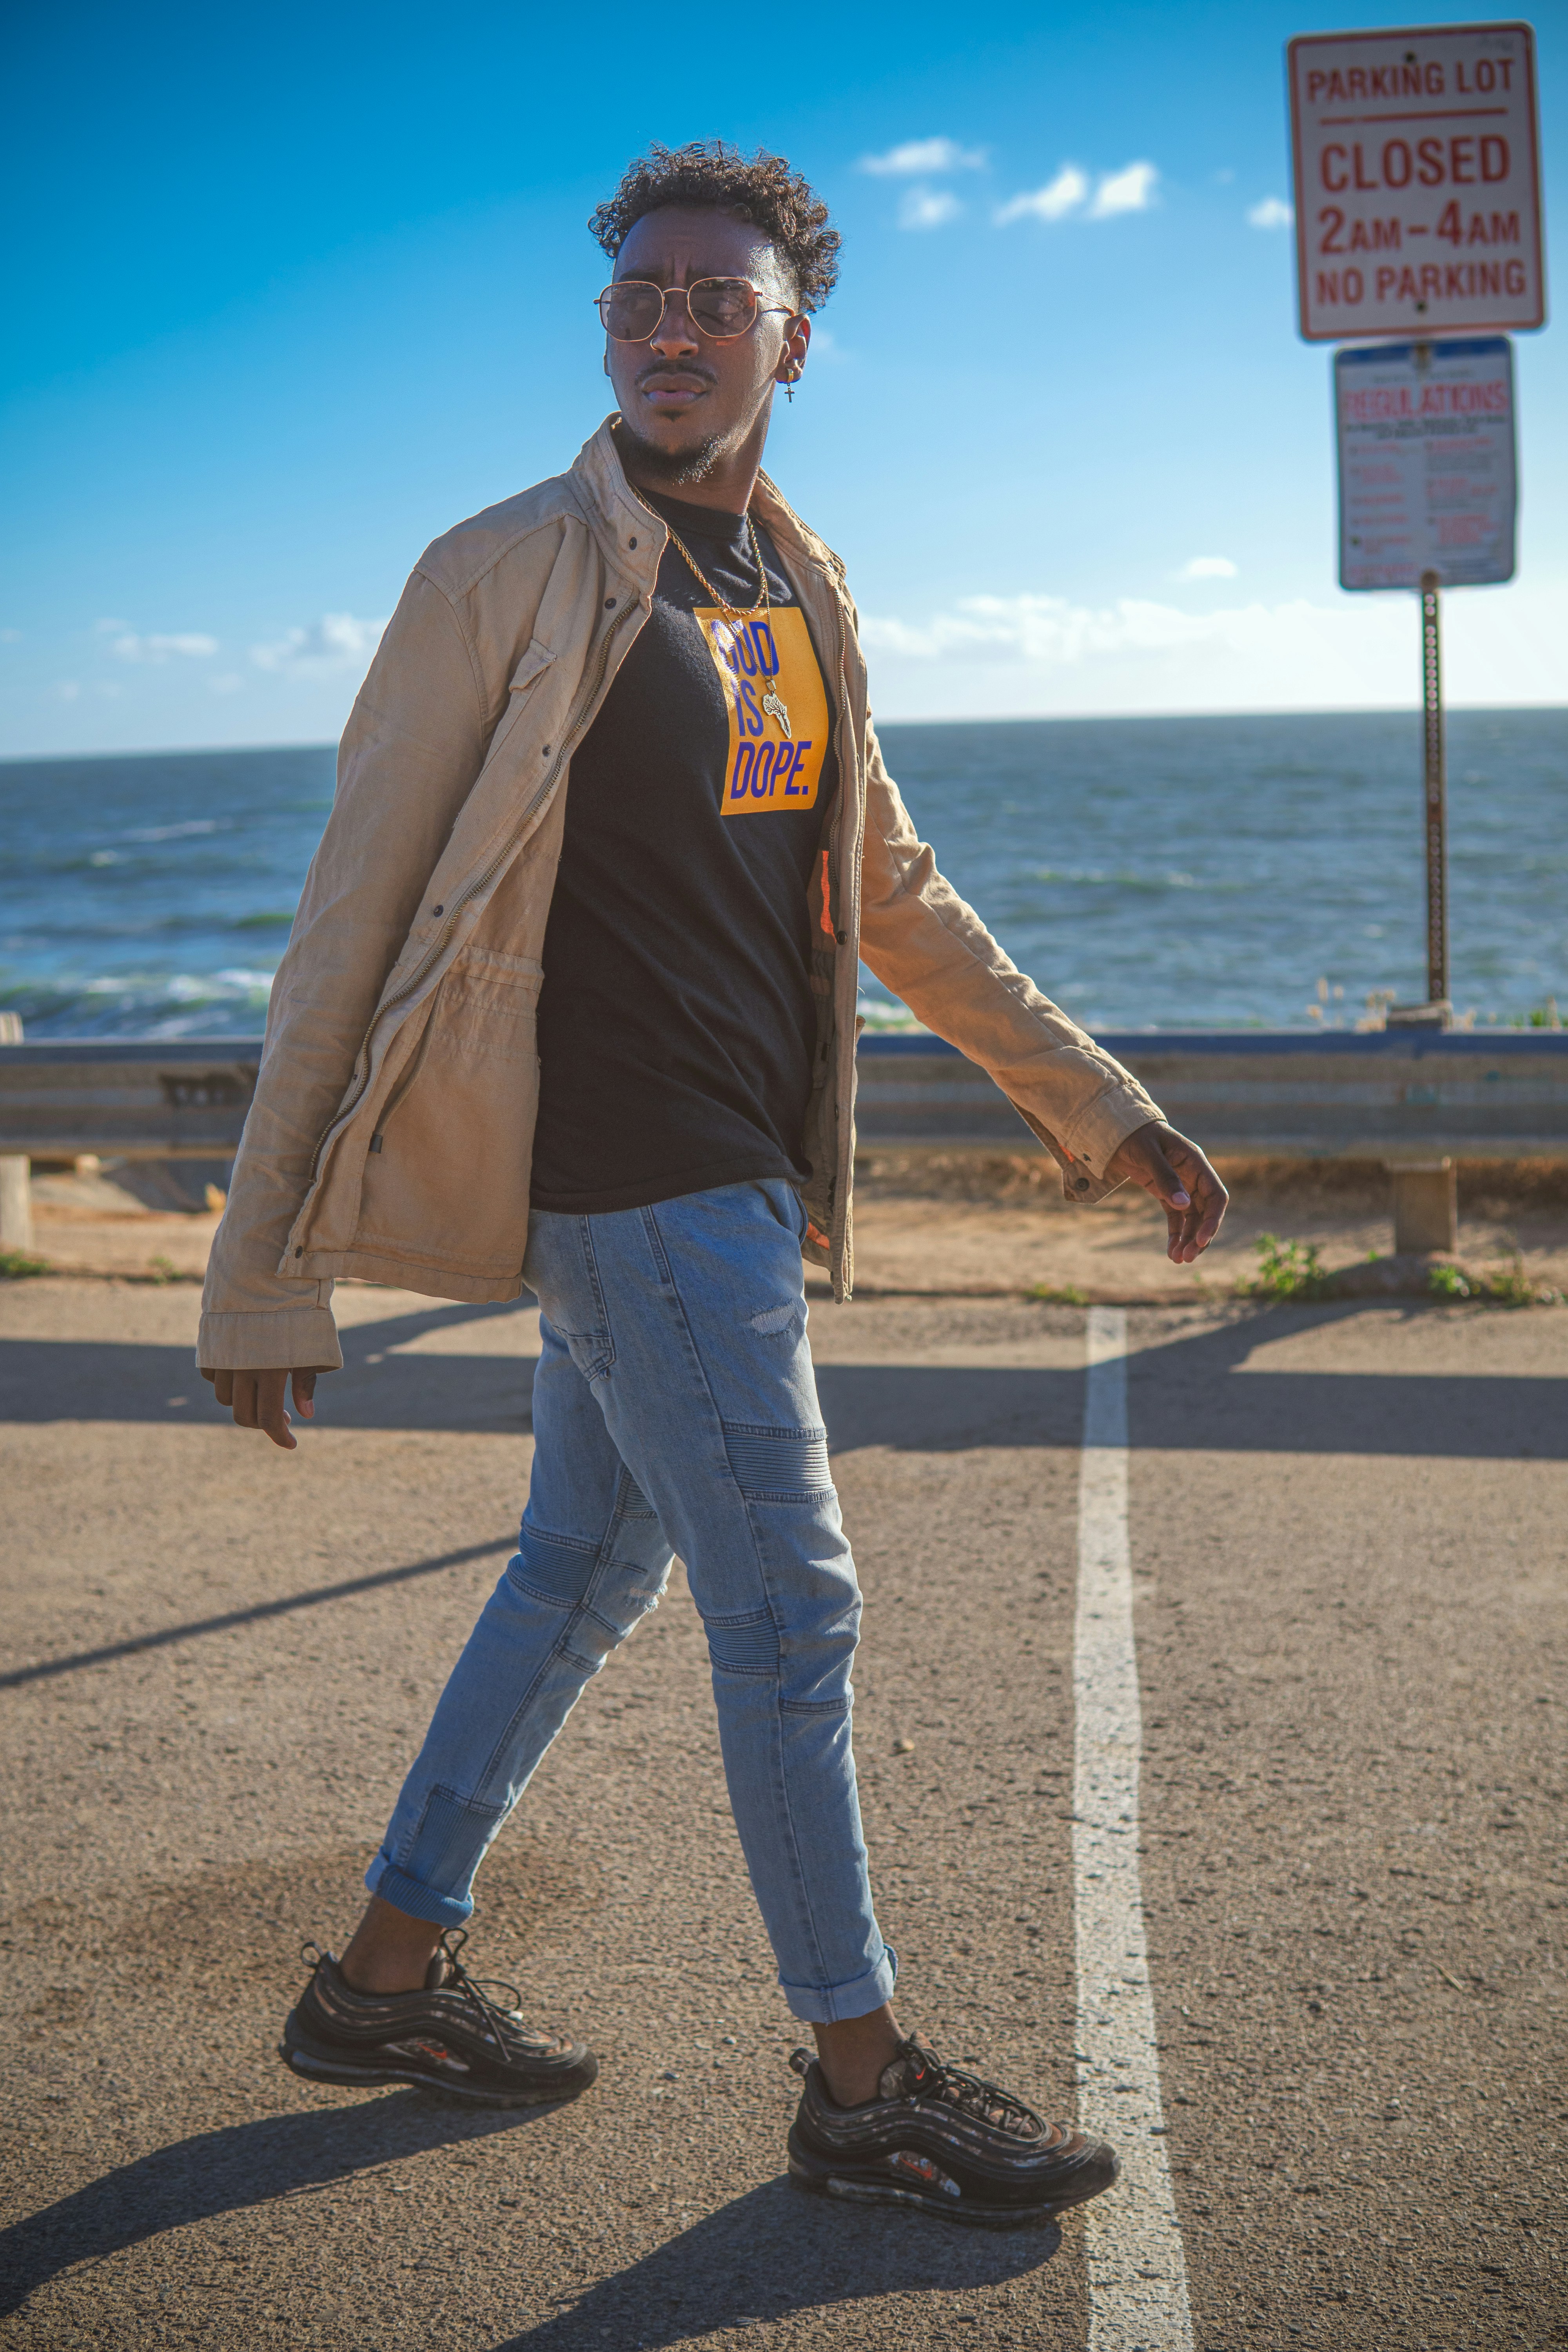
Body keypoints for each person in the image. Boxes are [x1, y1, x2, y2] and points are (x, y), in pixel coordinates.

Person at [198, 139, 1227, 2227]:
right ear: (607, 328)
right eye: (639, 297)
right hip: (627, 1172)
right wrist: (257, 1271)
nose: (671, 331)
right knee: (792, 1614)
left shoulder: (795, 586)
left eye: (715, 303)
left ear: (793, 339)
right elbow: (351, 914)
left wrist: (1095, 1104)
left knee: (587, 1568)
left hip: (741, 1175)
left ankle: (384, 1976)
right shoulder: (503, 570)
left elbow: (884, 891)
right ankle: (865, 2085)